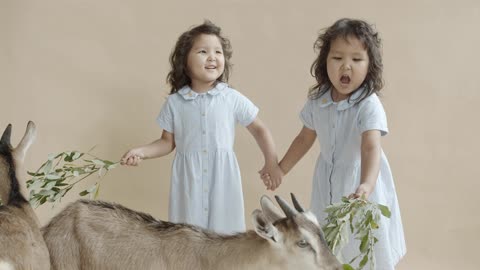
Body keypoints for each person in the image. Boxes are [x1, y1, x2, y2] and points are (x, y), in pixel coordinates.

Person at [261, 18, 406, 269]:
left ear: (370, 65)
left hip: (360, 183)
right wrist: (281, 168)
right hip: (326, 181)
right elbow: (305, 138)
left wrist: (367, 184)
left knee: (364, 238)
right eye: (337, 58)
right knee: (330, 237)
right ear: (324, 62)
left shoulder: (368, 104)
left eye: (356, 60)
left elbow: (371, 147)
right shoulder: (319, 101)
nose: (345, 67)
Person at [121, 21, 282, 235]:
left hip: (223, 181)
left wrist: (271, 162)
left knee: (225, 240)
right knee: (188, 239)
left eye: (218, 51)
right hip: (189, 183)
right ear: (185, 62)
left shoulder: (231, 98)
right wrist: (140, 152)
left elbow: (259, 129)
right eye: (203, 51)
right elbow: (167, 143)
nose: (212, 57)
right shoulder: (175, 103)